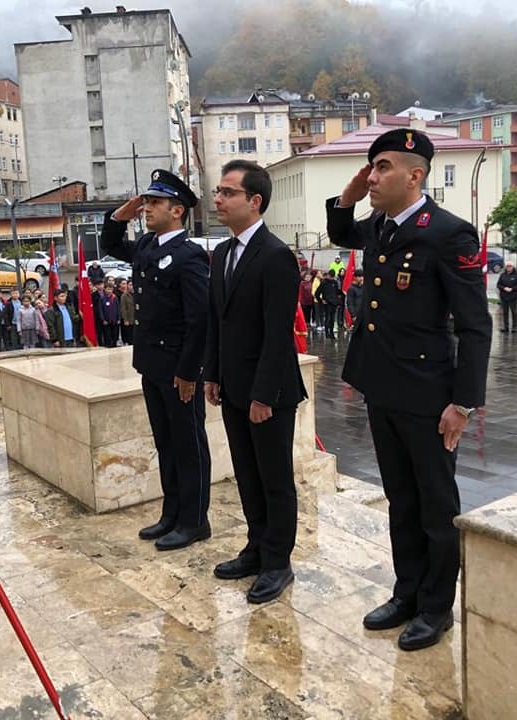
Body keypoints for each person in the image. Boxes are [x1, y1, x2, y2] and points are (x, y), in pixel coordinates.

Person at [326, 128, 491, 651]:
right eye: (371, 168)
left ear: (415, 175)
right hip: (383, 386)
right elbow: (340, 235)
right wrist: (346, 199)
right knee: (400, 498)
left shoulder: (449, 233)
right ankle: (407, 592)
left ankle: (437, 607)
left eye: (382, 168)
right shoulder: (378, 227)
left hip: (429, 393)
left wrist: (462, 403)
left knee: (436, 505)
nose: (372, 177)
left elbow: (474, 326)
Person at [204, 159, 306, 604]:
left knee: (274, 478)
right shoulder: (223, 252)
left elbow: (278, 332)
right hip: (233, 388)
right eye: (219, 191)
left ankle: (278, 562)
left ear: (255, 201)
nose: (218, 199)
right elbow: (217, 322)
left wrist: (263, 395)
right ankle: (256, 547)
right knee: (247, 474)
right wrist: (213, 374)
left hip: (270, 393)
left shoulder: (277, 256)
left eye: (228, 192)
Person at [101, 169, 212, 550]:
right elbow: (111, 242)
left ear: (177, 210)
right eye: (146, 201)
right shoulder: (149, 247)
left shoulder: (189, 256)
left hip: (178, 369)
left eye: (155, 203)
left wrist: (188, 371)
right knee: (165, 442)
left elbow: (199, 319)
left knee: (189, 444)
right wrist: (122, 213)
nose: (147, 208)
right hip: (151, 364)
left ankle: (195, 521)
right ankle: (173, 513)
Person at [314, 269, 342, 339]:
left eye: (333, 277)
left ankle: (331, 333)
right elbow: (317, 293)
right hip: (327, 303)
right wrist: (321, 301)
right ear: (328, 275)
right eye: (330, 276)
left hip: (334, 303)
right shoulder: (324, 282)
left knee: (332, 319)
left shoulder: (335, 282)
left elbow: (336, 292)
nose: (331, 278)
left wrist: (340, 296)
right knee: (327, 318)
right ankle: (327, 333)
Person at [496, 262, 517, 333]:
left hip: (513, 296)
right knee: (505, 312)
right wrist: (504, 288)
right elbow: (498, 284)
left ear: (513, 267)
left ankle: (514, 327)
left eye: (510, 266)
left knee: (514, 312)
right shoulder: (502, 275)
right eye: (507, 266)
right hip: (504, 296)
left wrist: (512, 289)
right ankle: (505, 327)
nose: (509, 267)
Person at [119, 279, 135, 345]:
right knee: (129, 335)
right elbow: (123, 308)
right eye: (130, 285)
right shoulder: (124, 295)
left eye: (133, 285)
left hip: (136, 318)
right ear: (127, 286)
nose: (132, 286)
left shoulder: (136, 294)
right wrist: (125, 320)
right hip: (129, 318)